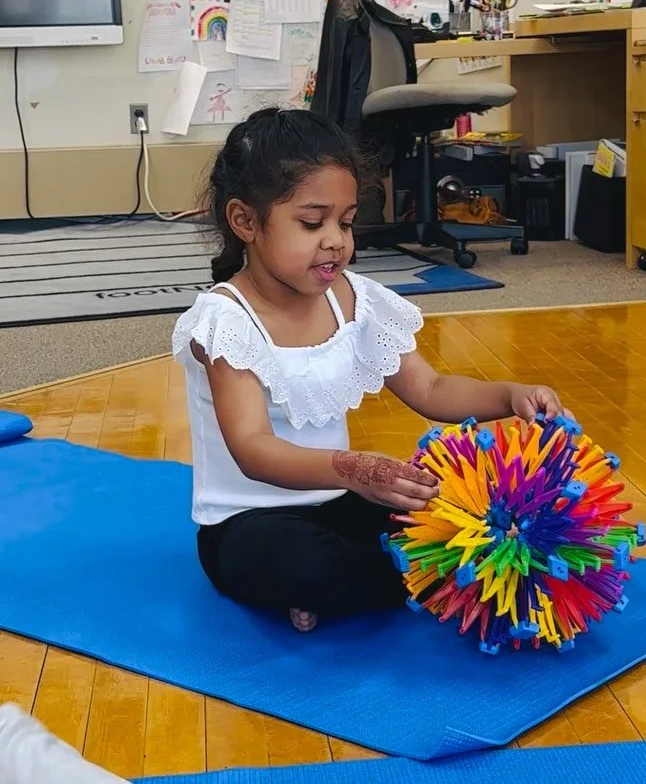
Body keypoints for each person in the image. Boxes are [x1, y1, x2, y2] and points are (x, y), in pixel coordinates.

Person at [172, 108, 569, 633]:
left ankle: (386, 581)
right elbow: (254, 449)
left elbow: (431, 388)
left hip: (343, 502)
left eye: (346, 221)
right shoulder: (226, 321)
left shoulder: (353, 300)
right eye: (312, 223)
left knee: (456, 514)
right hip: (248, 524)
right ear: (245, 222)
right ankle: (403, 581)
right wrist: (355, 469)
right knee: (306, 564)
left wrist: (510, 395)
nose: (336, 240)